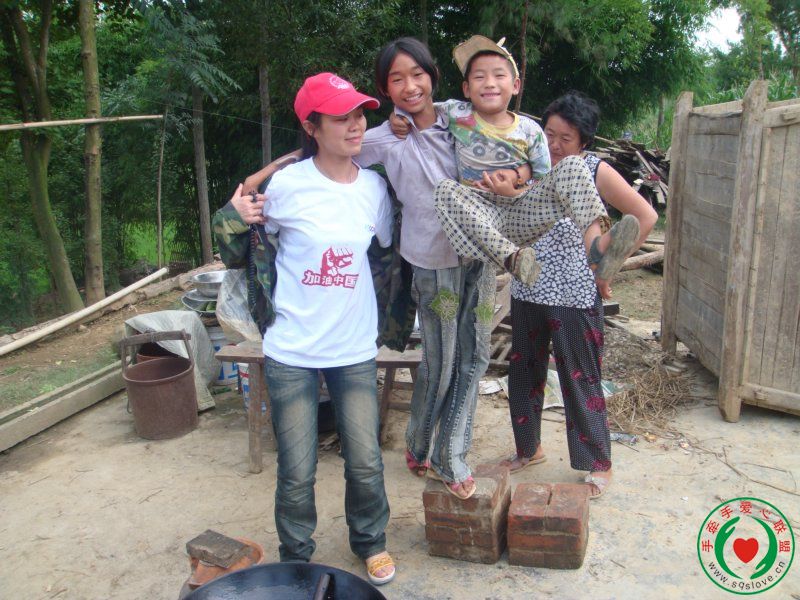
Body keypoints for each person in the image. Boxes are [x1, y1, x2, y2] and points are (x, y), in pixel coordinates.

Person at [243, 38, 494, 501]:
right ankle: (434, 451)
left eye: (417, 74)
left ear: (433, 76)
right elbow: (321, 151)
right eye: (397, 79)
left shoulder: (462, 119)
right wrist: (261, 177)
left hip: (484, 254)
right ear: (385, 89)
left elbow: (509, 134)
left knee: (476, 357)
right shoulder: (381, 138)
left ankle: (442, 451)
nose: (410, 86)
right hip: (434, 262)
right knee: (442, 363)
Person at [214, 73, 396, 585]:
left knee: (365, 460)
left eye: (359, 115)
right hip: (291, 347)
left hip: (353, 346)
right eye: (341, 118)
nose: (356, 125)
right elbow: (240, 249)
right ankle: (296, 556)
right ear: (311, 127)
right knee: (297, 469)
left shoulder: (374, 188)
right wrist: (236, 214)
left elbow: (384, 253)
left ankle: (371, 542)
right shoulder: (288, 185)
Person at [501, 91, 658, 499]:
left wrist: (609, 267)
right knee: (524, 371)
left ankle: (597, 463)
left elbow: (646, 215)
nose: (554, 145)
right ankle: (528, 449)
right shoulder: (530, 166)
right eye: (549, 134)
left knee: (579, 378)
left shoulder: (593, 169)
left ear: (584, 141)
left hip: (574, 292)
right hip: (527, 286)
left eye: (565, 138)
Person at [429, 35, 641, 297]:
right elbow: (420, 109)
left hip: (522, 212)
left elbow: (544, 180)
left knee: (574, 164)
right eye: (479, 77)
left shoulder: (530, 130)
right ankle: (512, 259)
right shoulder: (455, 112)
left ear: (515, 85)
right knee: (444, 189)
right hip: (479, 215)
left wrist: (515, 186)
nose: (490, 83)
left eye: (499, 75)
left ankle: (596, 249)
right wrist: (399, 117)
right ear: (466, 88)